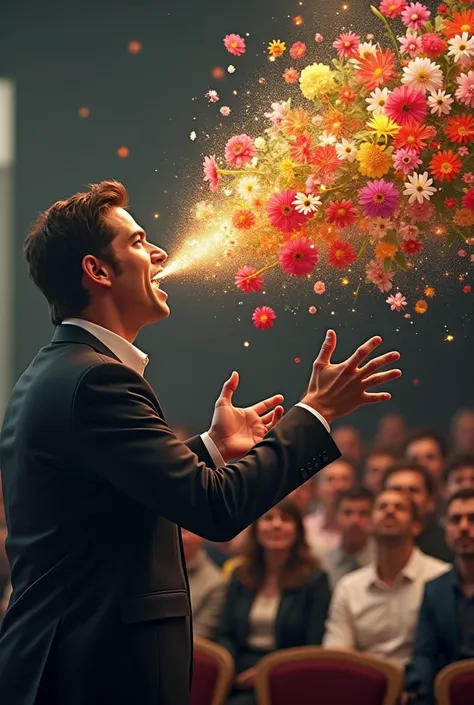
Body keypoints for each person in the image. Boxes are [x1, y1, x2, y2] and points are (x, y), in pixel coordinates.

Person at [0, 181, 401, 705]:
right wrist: (316, 412)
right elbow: (215, 510)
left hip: (72, 663)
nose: (160, 252)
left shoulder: (61, 370)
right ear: (97, 271)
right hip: (93, 672)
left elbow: (108, 500)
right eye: (139, 241)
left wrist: (210, 448)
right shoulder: (97, 381)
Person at [215, 499, 330, 705]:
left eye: (285, 519)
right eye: (268, 518)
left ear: (297, 531)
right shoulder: (240, 575)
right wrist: (232, 671)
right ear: (256, 529)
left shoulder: (315, 580)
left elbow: (313, 644)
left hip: (289, 674)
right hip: (239, 672)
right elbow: (226, 633)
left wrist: (266, 672)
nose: (276, 525)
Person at [323, 488, 449, 667]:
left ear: (416, 526)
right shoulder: (350, 587)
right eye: (382, 507)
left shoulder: (441, 578)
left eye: (399, 508)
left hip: (423, 687)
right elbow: (337, 652)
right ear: (369, 523)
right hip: (364, 686)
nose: (390, 511)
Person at [404, 489, 474, 705]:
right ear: (446, 530)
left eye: (472, 519)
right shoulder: (435, 589)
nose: (463, 527)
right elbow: (425, 653)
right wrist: (417, 686)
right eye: (455, 520)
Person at [382, 461, 453, 562]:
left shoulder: (449, 544)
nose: (404, 497)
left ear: (431, 502)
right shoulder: (370, 543)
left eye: (413, 490)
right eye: (396, 490)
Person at [319, 485, 374, 588]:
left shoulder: (382, 562)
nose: (355, 521)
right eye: (347, 513)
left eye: (363, 513)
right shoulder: (323, 564)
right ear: (336, 517)